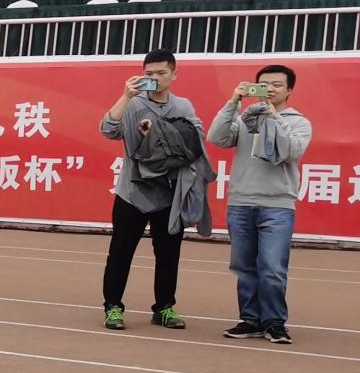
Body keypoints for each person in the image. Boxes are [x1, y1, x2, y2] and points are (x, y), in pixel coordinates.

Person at [99, 49, 210, 331]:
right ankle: (113, 306)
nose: (155, 78)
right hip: (132, 192)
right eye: (149, 74)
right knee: (121, 252)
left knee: (169, 254)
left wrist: (159, 129)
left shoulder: (183, 106)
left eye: (161, 73)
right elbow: (108, 129)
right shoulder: (133, 104)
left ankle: (164, 307)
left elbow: (197, 137)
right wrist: (125, 96)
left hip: (170, 193)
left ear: (174, 74)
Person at [208, 64, 312, 345]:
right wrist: (233, 102)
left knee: (273, 268)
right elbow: (216, 137)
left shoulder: (298, 122)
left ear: (289, 90)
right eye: (265, 84)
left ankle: (274, 322)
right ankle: (251, 320)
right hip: (241, 202)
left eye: (277, 85)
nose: (271, 89)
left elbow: (291, 151)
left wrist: (273, 117)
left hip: (277, 205)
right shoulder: (245, 119)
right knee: (244, 267)